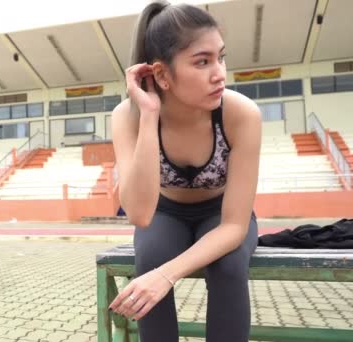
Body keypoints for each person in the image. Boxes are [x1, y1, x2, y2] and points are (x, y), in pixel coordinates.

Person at [108, 1, 262, 341]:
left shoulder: (241, 114)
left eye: (220, 57)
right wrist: (149, 116)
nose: (220, 72)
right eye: (202, 61)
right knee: (149, 259)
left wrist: (168, 276)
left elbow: (235, 225)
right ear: (162, 74)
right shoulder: (127, 116)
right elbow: (139, 213)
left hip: (221, 215)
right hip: (165, 213)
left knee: (229, 265)